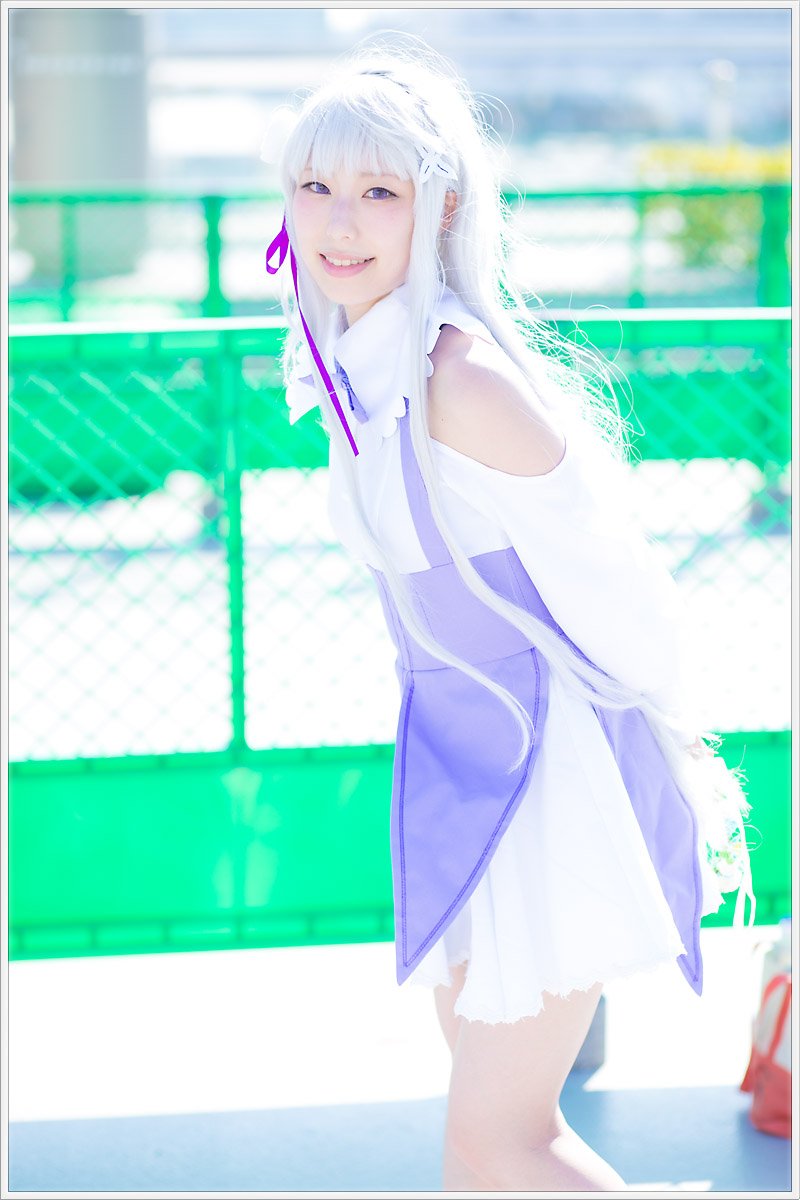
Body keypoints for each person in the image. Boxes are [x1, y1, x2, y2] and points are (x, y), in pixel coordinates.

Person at [263, 37, 754, 1193]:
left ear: (439, 207)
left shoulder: (456, 381)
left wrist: (666, 752)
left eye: (378, 190)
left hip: (542, 771)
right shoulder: (359, 364)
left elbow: (620, 588)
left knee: (497, 1143)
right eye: (316, 185)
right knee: (487, 1150)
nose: (339, 220)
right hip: (462, 762)